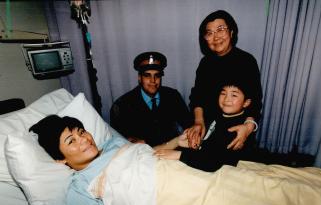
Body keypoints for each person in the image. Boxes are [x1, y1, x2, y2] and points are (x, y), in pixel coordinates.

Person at [29, 115, 321, 205]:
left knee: (262, 176)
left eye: (82, 132)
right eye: (71, 141)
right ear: (60, 159)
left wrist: (178, 141)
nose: (84, 140)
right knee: (257, 197)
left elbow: (149, 152)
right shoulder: (78, 189)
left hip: (183, 163)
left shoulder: (112, 145)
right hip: (167, 193)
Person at [187, 10, 263, 150]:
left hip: (236, 128)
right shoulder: (205, 63)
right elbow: (198, 95)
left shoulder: (246, 61)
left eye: (220, 30)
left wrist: (248, 127)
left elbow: (255, 100)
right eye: (209, 33)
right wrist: (198, 121)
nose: (215, 37)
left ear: (232, 32)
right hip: (208, 127)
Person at [154, 78, 257, 171]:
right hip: (198, 157)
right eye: (223, 93)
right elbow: (209, 146)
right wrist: (188, 144)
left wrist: (179, 155)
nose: (226, 99)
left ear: (246, 103)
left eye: (234, 95)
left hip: (217, 170)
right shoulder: (217, 115)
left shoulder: (238, 129)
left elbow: (213, 162)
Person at [110, 51, 192, 147]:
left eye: (157, 75)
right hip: (142, 157)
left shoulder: (173, 96)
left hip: (174, 151)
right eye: (147, 75)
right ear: (139, 78)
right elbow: (118, 141)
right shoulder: (122, 105)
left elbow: (188, 125)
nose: (153, 81)